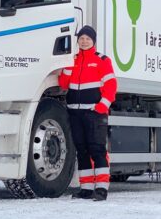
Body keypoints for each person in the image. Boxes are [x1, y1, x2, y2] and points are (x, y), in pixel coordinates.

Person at [58, 25, 117, 201]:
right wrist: (68, 66)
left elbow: (111, 86)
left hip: (94, 113)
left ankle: (101, 188)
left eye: (88, 39)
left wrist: (102, 106)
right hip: (75, 113)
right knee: (82, 151)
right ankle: (86, 188)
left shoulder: (102, 60)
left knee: (97, 150)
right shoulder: (72, 60)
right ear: (77, 41)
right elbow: (63, 84)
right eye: (81, 39)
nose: (84, 41)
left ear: (93, 41)